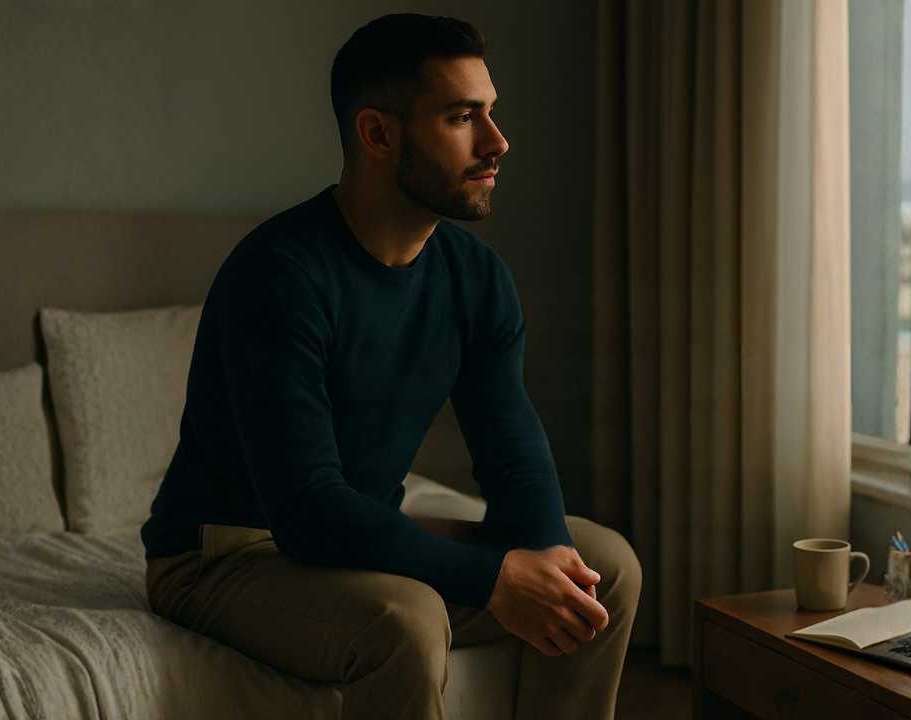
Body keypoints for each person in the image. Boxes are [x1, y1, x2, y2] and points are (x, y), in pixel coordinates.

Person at [141, 13, 641, 720]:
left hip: (354, 531)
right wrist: (494, 579)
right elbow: (308, 508)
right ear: (378, 134)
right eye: (463, 117)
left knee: (603, 570)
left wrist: (546, 559)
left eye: (490, 113)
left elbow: (511, 445)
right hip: (225, 554)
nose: (498, 142)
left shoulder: (476, 277)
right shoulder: (278, 275)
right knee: (404, 620)